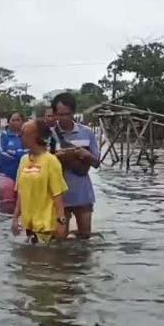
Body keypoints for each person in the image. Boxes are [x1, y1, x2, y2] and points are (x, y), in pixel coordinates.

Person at [11, 118, 68, 244]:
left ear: (36, 136)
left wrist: (61, 222)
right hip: (28, 225)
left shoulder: (51, 161)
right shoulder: (24, 160)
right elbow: (21, 192)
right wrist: (15, 218)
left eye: (24, 133)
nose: (20, 136)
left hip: (46, 225)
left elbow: (58, 195)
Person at [51, 92, 100, 239]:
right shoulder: (50, 135)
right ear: (55, 114)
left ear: (73, 113)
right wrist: (56, 157)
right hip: (59, 196)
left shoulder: (87, 133)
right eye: (60, 114)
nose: (64, 118)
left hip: (82, 193)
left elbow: (96, 163)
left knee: (85, 237)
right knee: (60, 240)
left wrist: (87, 155)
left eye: (67, 114)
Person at [0, 111, 27, 213]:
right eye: (13, 120)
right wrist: (21, 154)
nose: (15, 122)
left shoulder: (27, 135)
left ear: (23, 121)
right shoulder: (4, 136)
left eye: (18, 120)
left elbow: (31, 152)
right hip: (7, 174)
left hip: (24, 174)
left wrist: (14, 153)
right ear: (8, 122)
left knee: (23, 203)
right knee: (7, 203)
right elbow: (2, 154)